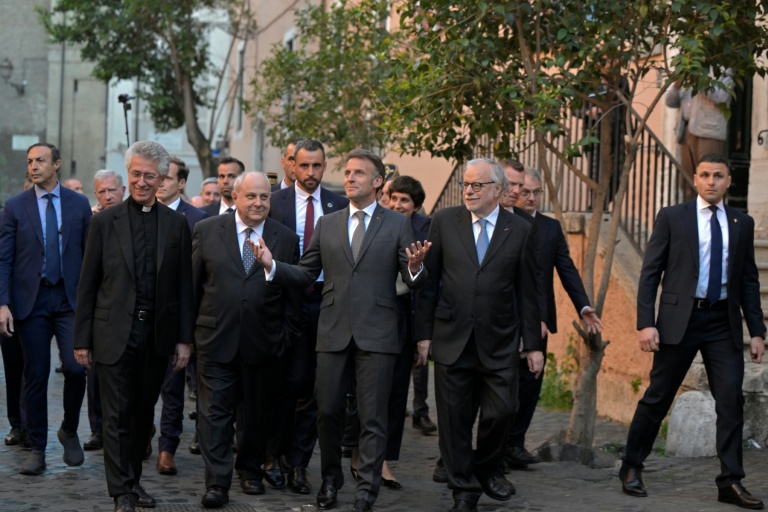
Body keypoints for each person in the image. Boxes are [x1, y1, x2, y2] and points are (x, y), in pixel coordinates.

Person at [254, 148, 430, 512]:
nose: (349, 178)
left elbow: (412, 279)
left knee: (372, 416)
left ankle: (366, 489)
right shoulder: (329, 223)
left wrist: (414, 267)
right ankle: (331, 479)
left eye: (359, 173)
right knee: (328, 411)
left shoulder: (397, 223)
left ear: (377, 182)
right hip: (332, 330)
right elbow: (306, 272)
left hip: (379, 332)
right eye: (347, 172)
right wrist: (273, 266)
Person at [619, 153, 766, 510]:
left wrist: (758, 331)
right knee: (658, 397)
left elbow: (748, 280)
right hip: (678, 322)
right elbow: (650, 272)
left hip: (722, 324)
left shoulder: (741, 223)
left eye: (719, 175)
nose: (711, 181)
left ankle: (730, 482)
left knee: (731, 401)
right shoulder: (673, 217)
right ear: (695, 179)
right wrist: (646, 322)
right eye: (705, 175)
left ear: (729, 181)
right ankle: (631, 467)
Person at [416, 158, 543, 512]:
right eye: (466, 185)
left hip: (500, 339)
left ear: (498, 191)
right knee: (454, 422)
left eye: (477, 185)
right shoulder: (443, 222)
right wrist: (423, 335)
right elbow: (428, 283)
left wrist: (532, 344)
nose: (469, 191)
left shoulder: (519, 230)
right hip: (452, 335)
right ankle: (464, 492)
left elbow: (529, 291)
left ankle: (486, 468)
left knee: (502, 411)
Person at [74, 140, 194, 512]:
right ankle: (121, 491)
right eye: (136, 174)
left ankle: (134, 482)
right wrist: (82, 339)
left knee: (143, 415)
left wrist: (184, 340)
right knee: (116, 416)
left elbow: (184, 287)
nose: (142, 181)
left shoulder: (177, 225)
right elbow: (88, 283)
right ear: (129, 176)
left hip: (156, 336)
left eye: (150, 175)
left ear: (162, 179)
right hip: (112, 334)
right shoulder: (104, 222)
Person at [193, 171, 302, 508]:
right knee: (215, 416)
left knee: (256, 414)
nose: (258, 203)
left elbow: (292, 298)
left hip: (264, 342)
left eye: (264, 197)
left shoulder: (284, 238)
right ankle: (217, 483)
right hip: (215, 339)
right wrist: (191, 335)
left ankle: (250, 471)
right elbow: (193, 286)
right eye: (251, 196)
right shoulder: (207, 231)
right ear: (235, 197)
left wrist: (284, 337)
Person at [0, 142, 92, 476]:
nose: (33, 166)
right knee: (35, 375)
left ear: (57, 164)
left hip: (69, 300)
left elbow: (89, 257)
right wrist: (3, 303)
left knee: (77, 367)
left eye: (40, 160)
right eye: (29, 161)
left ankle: (69, 428)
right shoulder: (14, 206)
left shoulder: (79, 204)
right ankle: (37, 447)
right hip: (31, 301)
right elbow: (4, 259)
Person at [267, 139, 349, 495]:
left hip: (325, 306)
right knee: (285, 384)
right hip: (284, 303)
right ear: (292, 166)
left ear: (325, 166)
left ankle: (300, 463)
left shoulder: (339, 205)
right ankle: (274, 455)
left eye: (317, 166)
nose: (311, 173)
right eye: (304, 166)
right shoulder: (273, 202)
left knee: (316, 389)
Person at [507, 168, 603, 468]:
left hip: (541, 320)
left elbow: (566, 269)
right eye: (526, 192)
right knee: (503, 386)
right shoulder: (505, 223)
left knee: (532, 383)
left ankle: (516, 444)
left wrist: (584, 306)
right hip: (508, 317)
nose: (531, 197)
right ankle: (496, 448)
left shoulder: (550, 228)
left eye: (537, 192)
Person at [153, 156, 208, 475]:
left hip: (179, 316)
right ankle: (143, 435)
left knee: (173, 387)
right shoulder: (141, 211)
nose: (160, 183)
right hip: (144, 315)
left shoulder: (196, 219)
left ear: (181, 183)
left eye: (167, 178)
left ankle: (167, 447)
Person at [381, 175, 433, 489]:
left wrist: (423, 335)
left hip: (404, 316)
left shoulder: (426, 232)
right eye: (394, 198)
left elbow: (428, 287)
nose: (398, 205)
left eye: (405, 201)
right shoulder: (375, 221)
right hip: (371, 314)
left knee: (396, 393)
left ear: (415, 207)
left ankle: (384, 460)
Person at [81, 169, 128, 452]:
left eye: (112, 190)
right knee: (95, 376)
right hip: (102, 313)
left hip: (130, 310)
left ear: (122, 190)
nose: (108, 196)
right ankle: (98, 429)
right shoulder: (94, 222)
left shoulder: (136, 217)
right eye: (102, 192)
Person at [666, 74, 733, 201]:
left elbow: (722, 96)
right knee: (686, 181)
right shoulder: (689, 68)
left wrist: (699, 80)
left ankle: (710, 218)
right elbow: (670, 102)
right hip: (685, 131)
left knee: (710, 181)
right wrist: (676, 86)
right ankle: (691, 218)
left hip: (709, 133)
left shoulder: (724, 69)